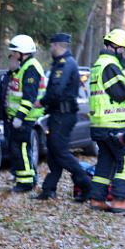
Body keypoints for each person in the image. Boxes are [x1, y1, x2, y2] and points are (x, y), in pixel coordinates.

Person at [87, 28, 125, 214]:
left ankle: (97, 199)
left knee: (106, 161)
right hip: (115, 124)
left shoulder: (98, 65)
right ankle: (120, 201)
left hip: (100, 124)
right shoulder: (110, 65)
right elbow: (123, 93)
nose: (124, 54)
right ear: (117, 47)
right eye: (124, 50)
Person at [34, 33, 92, 201]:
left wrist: (42, 102)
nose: (51, 48)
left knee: (60, 152)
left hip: (63, 115)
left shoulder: (66, 64)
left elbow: (56, 91)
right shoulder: (61, 64)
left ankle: (87, 185)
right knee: (53, 153)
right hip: (58, 114)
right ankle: (49, 189)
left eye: (52, 46)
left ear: (58, 46)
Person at [6, 34, 46, 192]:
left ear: (22, 52)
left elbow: (29, 98)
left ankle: (26, 183)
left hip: (25, 119)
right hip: (20, 118)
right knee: (19, 149)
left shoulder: (31, 69)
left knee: (21, 149)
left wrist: (19, 117)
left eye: (14, 52)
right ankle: (27, 180)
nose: (12, 55)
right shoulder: (23, 67)